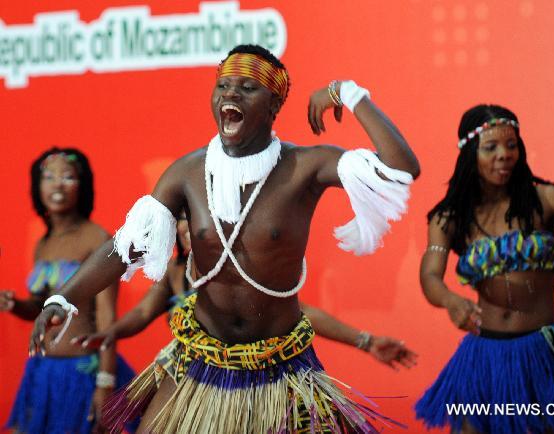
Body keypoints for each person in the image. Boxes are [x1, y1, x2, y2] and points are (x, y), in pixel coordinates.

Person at [31, 44, 420, 433]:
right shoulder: (187, 172)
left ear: (273, 106)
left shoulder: (305, 167)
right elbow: (123, 247)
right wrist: (63, 297)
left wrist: (347, 93)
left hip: (281, 370)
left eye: (248, 87)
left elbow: (402, 168)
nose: (230, 94)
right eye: (223, 86)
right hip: (201, 365)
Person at [415, 105, 554, 434]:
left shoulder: (548, 199)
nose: (504, 155)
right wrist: (450, 301)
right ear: (471, 153)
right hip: (484, 358)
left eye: (511, 145)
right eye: (491, 147)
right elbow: (430, 276)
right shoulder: (450, 217)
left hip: (542, 353)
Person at [72, 212, 418, 370]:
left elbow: (303, 315)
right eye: (184, 219)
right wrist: (111, 333)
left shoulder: (245, 273)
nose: (191, 227)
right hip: (192, 376)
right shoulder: (174, 274)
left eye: (200, 219)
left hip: (256, 376)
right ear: (176, 230)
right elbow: (142, 313)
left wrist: (365, 341)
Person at [1, 148, 136, 433]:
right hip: (43, 372)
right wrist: (16, 305)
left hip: (82, 374)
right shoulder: (44, 244)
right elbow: (43, 309)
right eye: (48, 176)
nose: (57, 184)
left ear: (82, 185)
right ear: (37, 186)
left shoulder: (97, 239)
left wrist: (104, 384)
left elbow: (107, 318)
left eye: (68, 177)